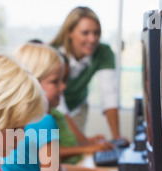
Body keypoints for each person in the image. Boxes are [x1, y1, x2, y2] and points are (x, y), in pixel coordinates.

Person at [2, 42, 116, 171]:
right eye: (55, 81)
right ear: (32, 83)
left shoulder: (16, 120)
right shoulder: (44, 120)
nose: (64, 87)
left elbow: (53, 168)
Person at [51, 6, 126, 142]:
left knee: (76, 149)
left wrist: (116, 138)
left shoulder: (103, 52)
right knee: (61, 148)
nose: (92, 39)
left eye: (96, 33)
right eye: (85, 33)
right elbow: (59, 106)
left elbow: (109, 95)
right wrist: (85, 143)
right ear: (69, 32)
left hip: (78, 107)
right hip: (53, 107)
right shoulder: (53, 54)